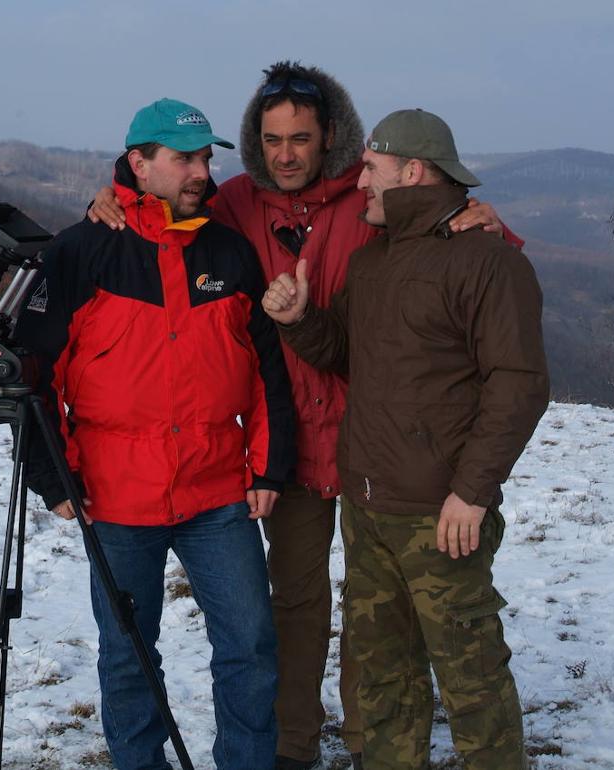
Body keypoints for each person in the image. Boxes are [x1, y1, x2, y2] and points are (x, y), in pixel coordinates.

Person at [88, 63, 520, 770]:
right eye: (272, 138)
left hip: (372, 439)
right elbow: (162, 214)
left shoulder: (370, 198)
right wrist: (110, 194)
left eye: (301, 138)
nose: (285, 153)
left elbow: (450, 239)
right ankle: (292, 745)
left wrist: (486, 217)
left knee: (377, 610)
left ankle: (368, 737)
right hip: (284, 440)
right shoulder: (232, 202)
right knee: (294, 603)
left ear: (329, 140)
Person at [261, 108, 549, 770]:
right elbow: (347, 354)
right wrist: (300, 320)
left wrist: (472, 493)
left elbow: (520, 386)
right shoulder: (374, 263)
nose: (359, 181)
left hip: (439, 513)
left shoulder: (488, 264)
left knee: (470, 680)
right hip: (367, 508)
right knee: (386, 678)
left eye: (370, 169)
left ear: (412, 171)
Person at [16, 97, 295, 770]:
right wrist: (52, 480)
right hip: (116, 496)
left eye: (205, 157)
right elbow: (34, 379)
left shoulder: (228, 252)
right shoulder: (81, 252)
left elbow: (266, 371)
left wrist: (268, 468)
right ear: (139, 163)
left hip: (217, 489)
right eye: (184, 158)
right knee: (129, 654)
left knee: (251, 645)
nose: (201, 171)